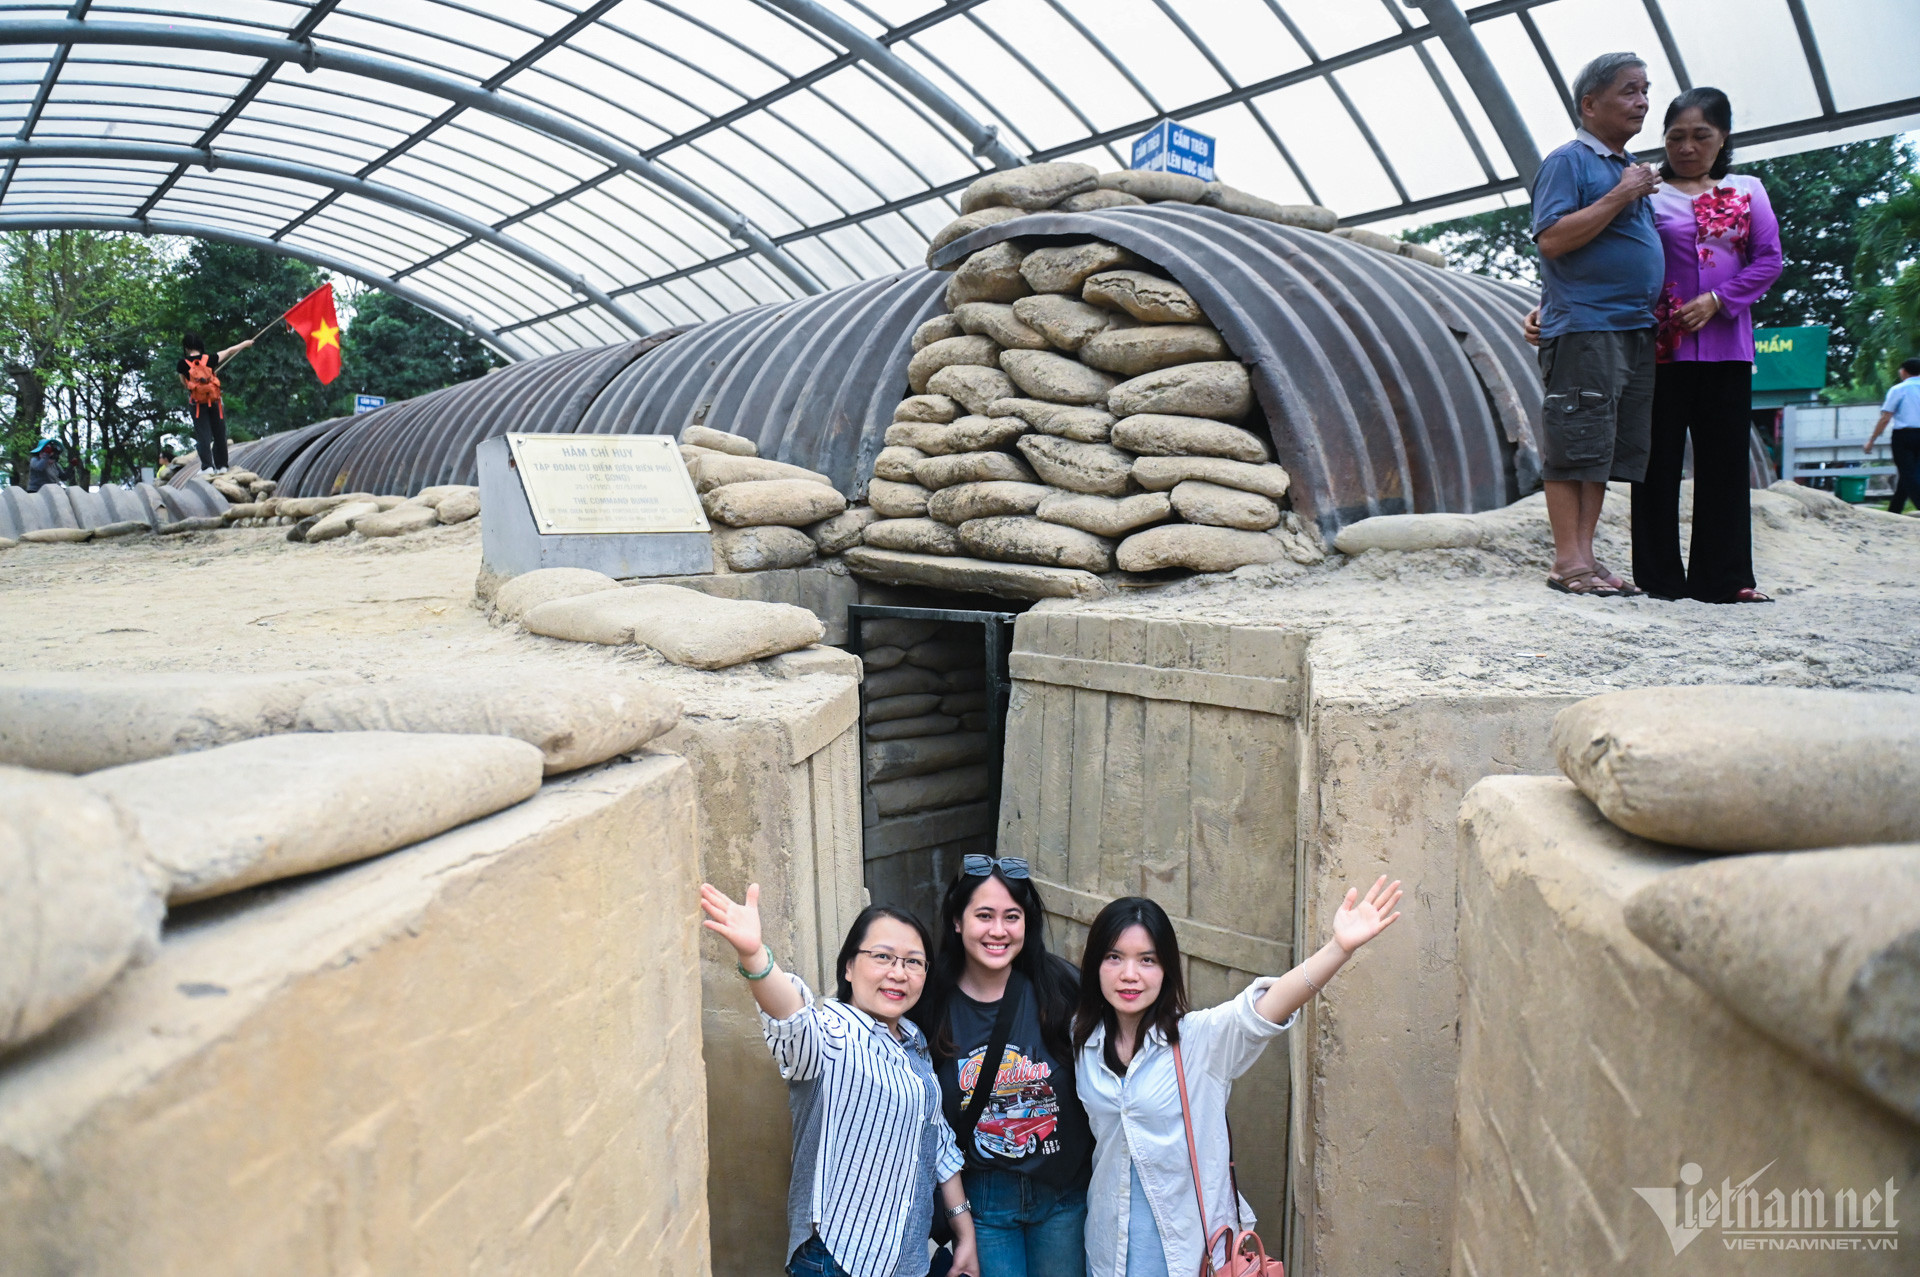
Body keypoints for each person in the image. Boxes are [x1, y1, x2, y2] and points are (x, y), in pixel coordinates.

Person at [1073, 877, 1403, 1277]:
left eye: (1147, 960)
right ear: (1095, 965)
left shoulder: (1197, 1040)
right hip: (1108, 1249)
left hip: (1189, 1255)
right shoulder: (1084, 1041)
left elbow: (1265, 1008)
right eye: (1114, 957)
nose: (1130, 974)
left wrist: (1339, 948)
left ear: (1166, 970)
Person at [700, 883, 979, 1277]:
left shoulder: (913, 1043)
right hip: (837, 1259)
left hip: (905, 1260)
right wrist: (755, 956)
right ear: (849, 966)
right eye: (882, 957)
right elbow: (792, 1018)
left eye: (913, 962)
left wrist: (963, 1232)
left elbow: (936, 1142)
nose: (898, 973)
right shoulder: (832, 1034)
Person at [1627, 88, 1783, 602]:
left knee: (1724, 466)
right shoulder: (1644, 192)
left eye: (1701, 136)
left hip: (1727, 349)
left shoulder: (1748, 190)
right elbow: (1617, 259)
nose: (1687, 147)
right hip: (1659, 350)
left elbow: (1768, 260)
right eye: (1675, 137)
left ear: (1723, 138)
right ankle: (1658, 580)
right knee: (1656, 465)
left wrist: (1718, 299)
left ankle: (1726, 579)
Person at [911, 857, 1090, 1277]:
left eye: (1012, 916)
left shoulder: (1061, 986)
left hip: (1063, 1194)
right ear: (957, 921)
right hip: (983, 1201)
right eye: (984, 915)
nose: (998, 930)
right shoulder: (929, 1003)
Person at [1528, 52, 1665, 598]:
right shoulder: (1571, 162)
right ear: (1590, 103)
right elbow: (1553, 240)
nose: (1643, 102)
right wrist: (1621, 195)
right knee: (1573, 441)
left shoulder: (1623, 166)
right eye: (1629, 91)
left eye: (1645, 90)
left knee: (1599, 448)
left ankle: (1585, 557)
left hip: (1628, 329)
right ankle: (1567, 561)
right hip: (1587, 328)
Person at [177, 331, 252, 477]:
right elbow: (230, 350)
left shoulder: (182, 364)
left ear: (186, 348)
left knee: (203, 436)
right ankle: (222, 466)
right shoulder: (210, 358)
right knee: (219, 434)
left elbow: (184, 384)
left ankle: (207, 467)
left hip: (197, 404)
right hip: (215, 401)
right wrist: (245, 344)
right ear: (200, 345)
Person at [1865, 357, 1920, 515]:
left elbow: (1886, 418)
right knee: (1911, 472)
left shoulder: (1899, 389)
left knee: (1908, 472)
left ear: (1903, 371)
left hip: (1904, 435)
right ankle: (1895, 509)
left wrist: (1872, 440)